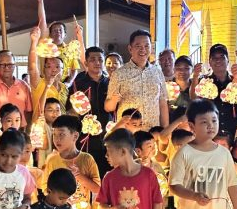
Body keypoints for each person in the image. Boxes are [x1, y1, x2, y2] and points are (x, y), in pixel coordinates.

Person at [105, 29, 168, 130]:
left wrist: (165, 130)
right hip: (129, 133)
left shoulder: (158, 72)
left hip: (152, 133)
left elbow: (162, 103)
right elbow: (108, 107)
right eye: (138, 46)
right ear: (130, 49)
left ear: (151, 48)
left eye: (146, 46)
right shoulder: (119, 73)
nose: (143, 49)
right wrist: (113, 100)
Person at [71, 45, 113, 175]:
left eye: (100, 59)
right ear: (86, 63)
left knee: (107, 169)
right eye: (93, 59)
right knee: (87, 171)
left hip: (108, 133)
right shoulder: (79, 82)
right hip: (86, 136)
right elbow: (71, 107)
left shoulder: (111, 82)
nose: (97, 63)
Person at [192, 44, 237, 137]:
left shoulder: (235, 81)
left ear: (228, 61)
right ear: (210, 62)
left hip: (232, 132)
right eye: (214, 58)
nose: (218, 60)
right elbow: (194, 99)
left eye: (222, 57)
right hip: (209, 132)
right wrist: (195, 76)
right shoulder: (204, 82)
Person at [35, 0, 82, 84]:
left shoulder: (70, 49)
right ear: (50, 34)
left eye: (60, 30)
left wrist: (68, 83)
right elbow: (42, 20)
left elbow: (74, 69)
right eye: (55, 30)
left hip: (63, 84)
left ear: (65, 34)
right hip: (45, 83)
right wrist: (41, 2)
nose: (58, 32)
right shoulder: (45, 47)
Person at [28, 26, 69, 120]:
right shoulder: (38, 83)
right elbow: (32, 67)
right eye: (49, 66)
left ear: (63, 71)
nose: (54, 70)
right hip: (40, 131)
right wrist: (34, 41)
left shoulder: (64, 88)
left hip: (60, 131)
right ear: (43, 70)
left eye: (58, 67)